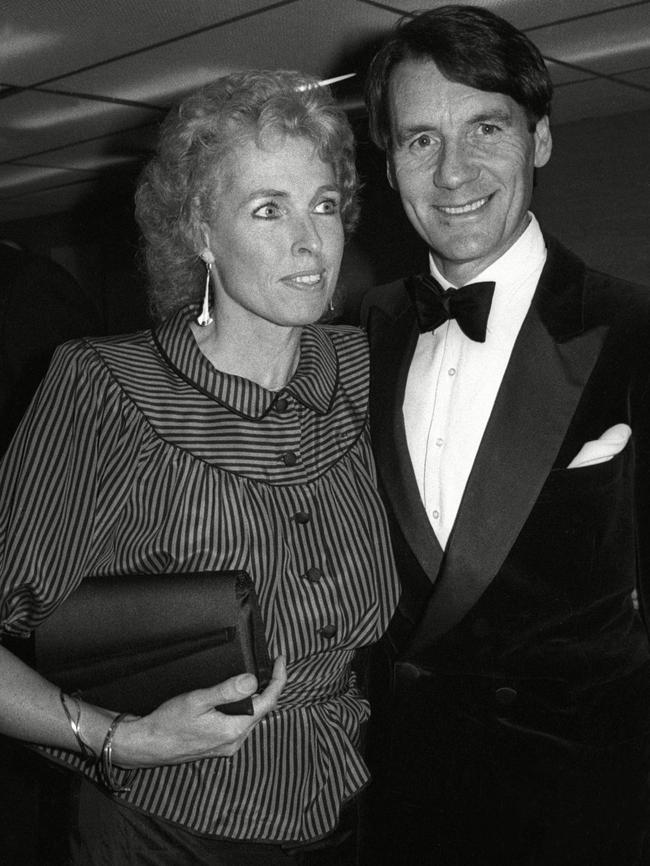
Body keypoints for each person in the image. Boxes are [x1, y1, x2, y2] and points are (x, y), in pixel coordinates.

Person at [0, 69, 399, 865]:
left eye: (324, 204)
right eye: (267, 209)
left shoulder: (367, 369)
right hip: (163, 830)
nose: (308, 242)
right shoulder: (105, 387)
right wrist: (119, 739)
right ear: (202, 234)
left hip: (349, 810)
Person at [358, 6, 650, 865]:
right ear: (390, 164)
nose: (453, 172)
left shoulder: (635, 331)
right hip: (401, 796)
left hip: (585, 805)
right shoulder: (359, 330)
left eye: (485, 126)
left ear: (541, 140)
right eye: (419, 140)